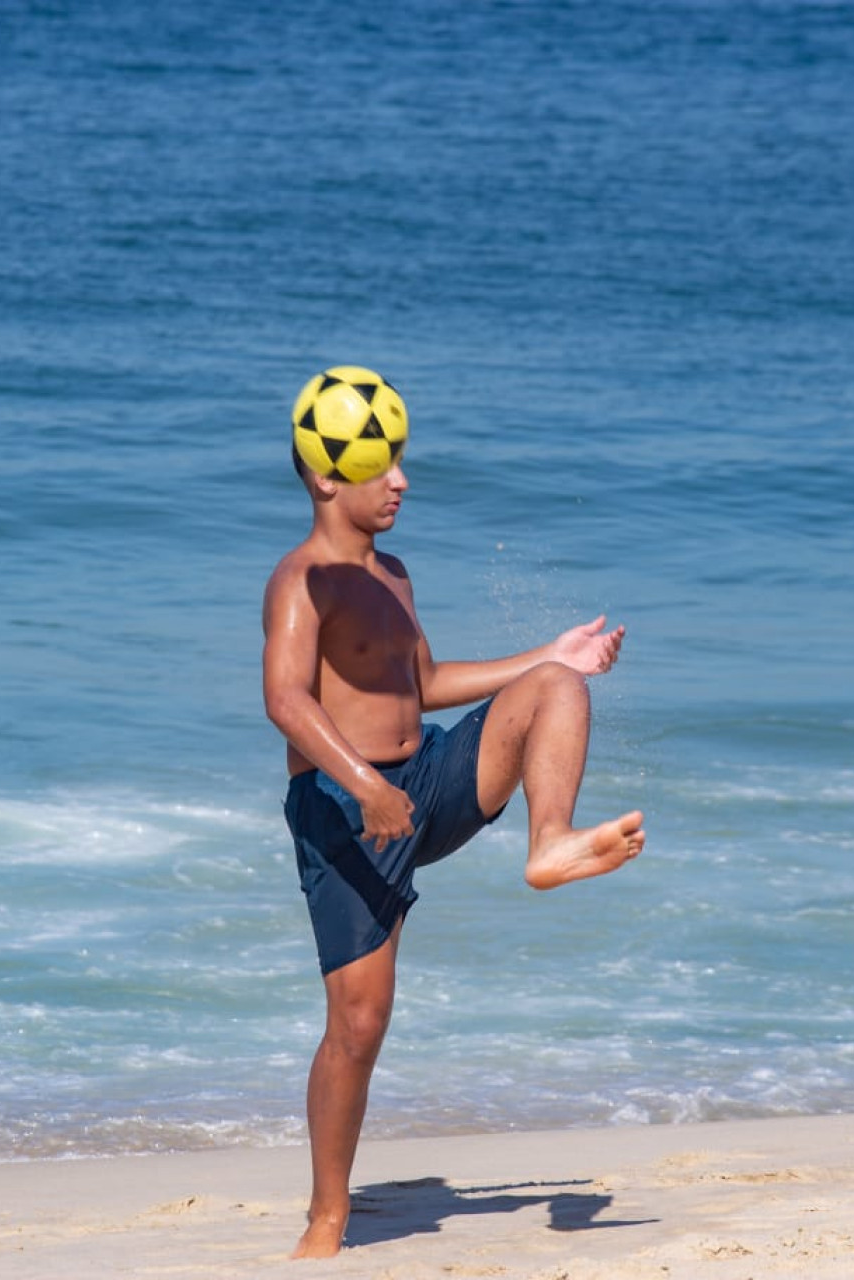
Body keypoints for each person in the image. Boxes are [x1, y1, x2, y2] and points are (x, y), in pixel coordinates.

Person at [262, 433, 646, 1260]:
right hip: (345, 807)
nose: (400, 482)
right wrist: (365, 786)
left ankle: (550, 842)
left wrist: (550, 651)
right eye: (379, 468)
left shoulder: (393, 574)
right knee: (359, 1025)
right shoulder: (301, 582)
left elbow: (426, 684)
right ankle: (327, 1215)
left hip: (425, 778)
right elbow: (287, 703)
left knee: (557, 689)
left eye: (400, 462)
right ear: (328, 478)